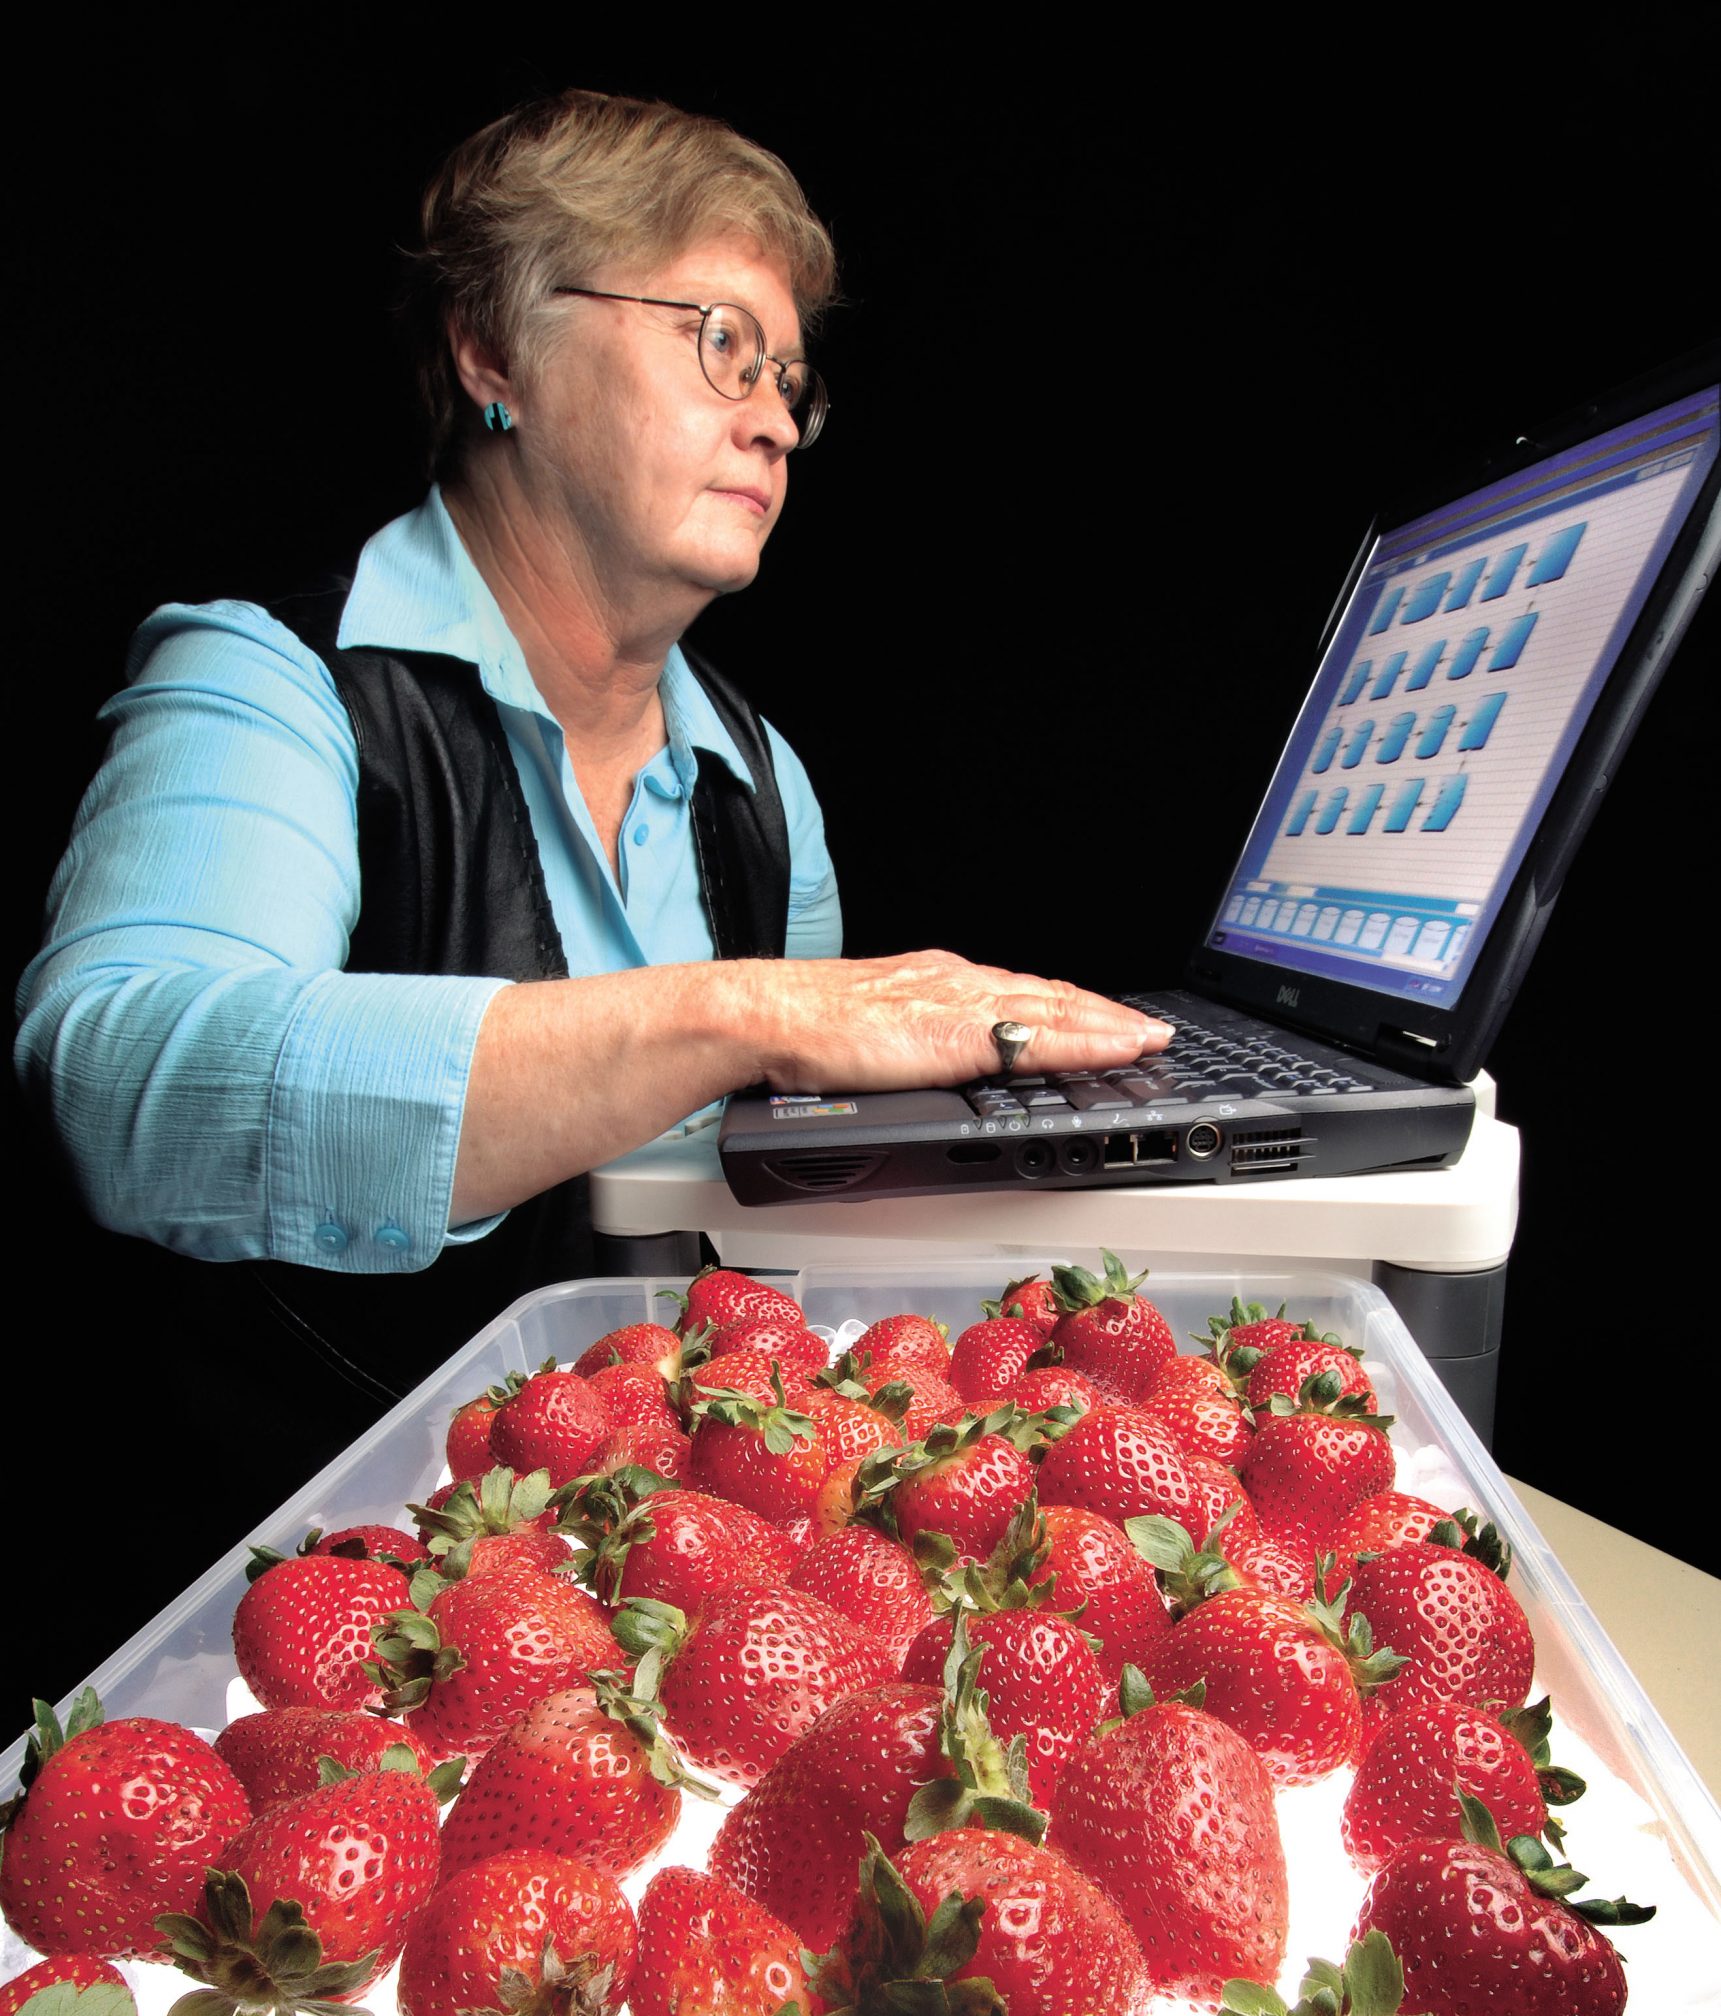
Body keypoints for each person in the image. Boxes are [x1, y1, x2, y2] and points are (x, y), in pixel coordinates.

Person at [17, 88, 1163, 1412]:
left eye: (788, 377)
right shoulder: (267, 678)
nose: (775, 421)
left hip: (670, 1563)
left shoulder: (762, 778)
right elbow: (117, 1083)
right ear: (492, 352)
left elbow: (785, 1243)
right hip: (328, 1557)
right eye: (719, 343)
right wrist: (735, 1014)